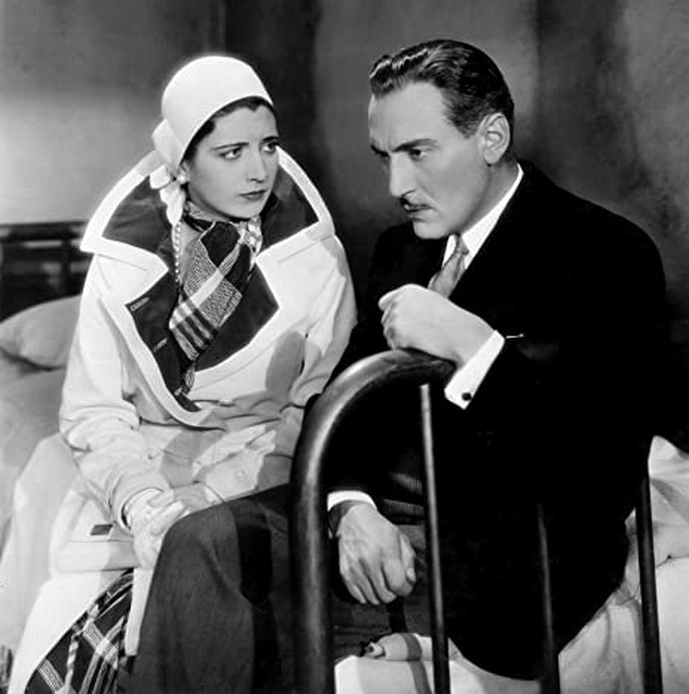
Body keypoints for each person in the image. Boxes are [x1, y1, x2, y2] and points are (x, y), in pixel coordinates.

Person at [129, 39, 676, 693]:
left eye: (417, 153)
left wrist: (476, 350)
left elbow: (599, 475)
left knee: (252, 627)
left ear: (491, 137)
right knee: (199, 543)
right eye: (385, 157)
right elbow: (341, 406)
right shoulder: (402, 250)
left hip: (507, 553)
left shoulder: (605, 253)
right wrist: (350, 509)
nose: (396, 186)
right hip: (386, 527)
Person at [0, 54, 355, 693]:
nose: (258, 169)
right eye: (231, 152)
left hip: (260, 468)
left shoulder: (315, 256)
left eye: (268, 145)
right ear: (183, 164)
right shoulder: (123, 259)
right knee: (61, 581)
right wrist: (142, 500)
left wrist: (210, 493)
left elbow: (314, 409)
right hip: (141, 458)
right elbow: (94, 410)